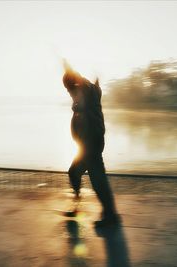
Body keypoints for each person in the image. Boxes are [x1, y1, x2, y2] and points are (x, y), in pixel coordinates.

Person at [62, 62, 120, 227]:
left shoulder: (85, 90)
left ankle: (111, 217)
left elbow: (78, 79)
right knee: (74, 172)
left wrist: (67, 67)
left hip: (91, 144)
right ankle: (79, 205)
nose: (68, 92)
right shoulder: (90, 91)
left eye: (68, 89)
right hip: (87, 144)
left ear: (74, 84)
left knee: (98, 179)